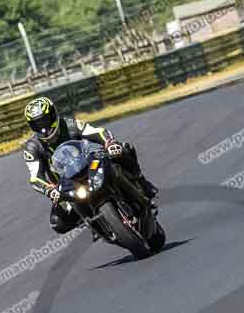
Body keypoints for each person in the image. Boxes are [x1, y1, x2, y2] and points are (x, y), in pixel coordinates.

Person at [22, 96, 158, 235]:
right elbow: (35, 177)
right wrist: (49, 190)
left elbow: (97, 132)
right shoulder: (32, 148)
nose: (44, 129)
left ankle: (142, 182)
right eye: (38, 125)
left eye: (45, 121)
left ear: (53, 115)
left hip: (91, 165)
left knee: (124, 149)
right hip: (66, 184)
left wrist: (110, 143)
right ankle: (92, 222)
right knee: (58, 222)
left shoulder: (70, 125)